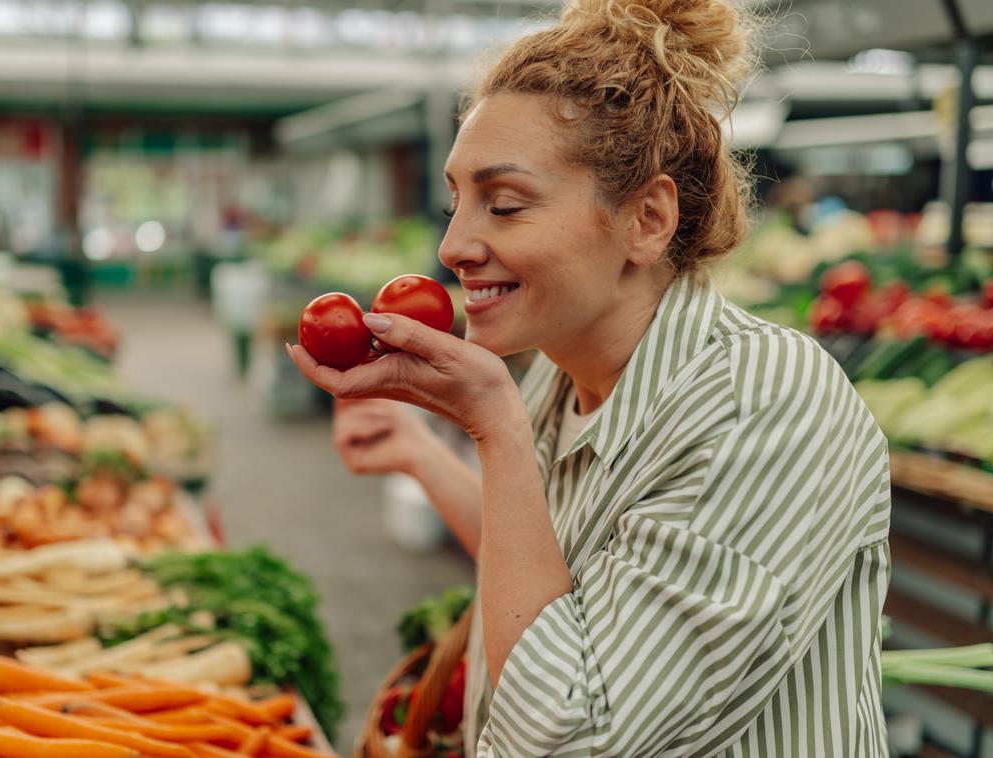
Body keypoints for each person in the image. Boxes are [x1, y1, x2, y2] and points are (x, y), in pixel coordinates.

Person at [287, 0, 890, 754]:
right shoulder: (560, 374)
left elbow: (574, 733)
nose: (452, 245)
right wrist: (423, 450)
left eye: (504, 205)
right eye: (456, 202)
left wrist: (495, 427)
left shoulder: (761, 407)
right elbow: (555, 559)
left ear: (646, 220)